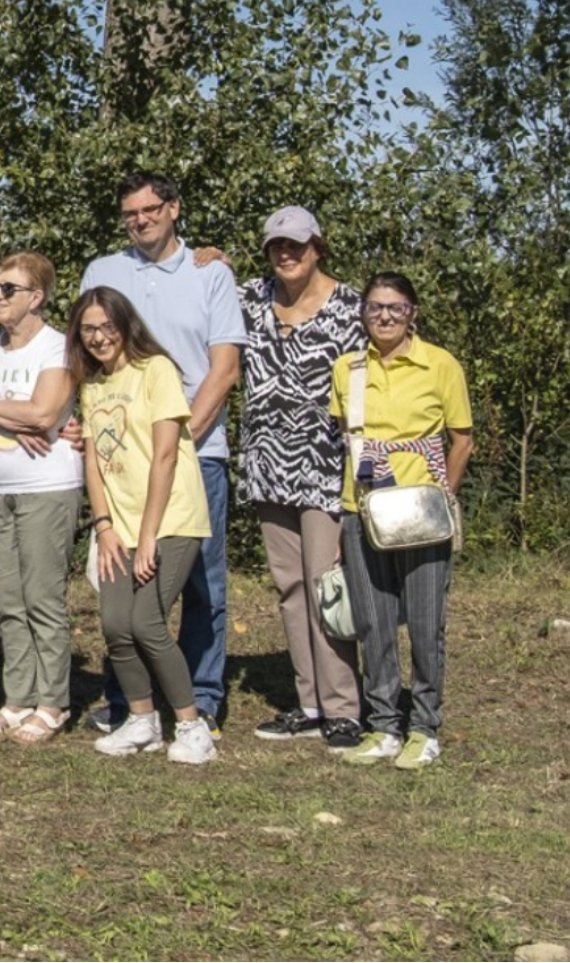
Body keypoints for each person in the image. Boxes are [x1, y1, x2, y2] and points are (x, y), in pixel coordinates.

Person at [79, 171, 246, 731]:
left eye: (150, 209)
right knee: (122, 584)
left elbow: (224, 370)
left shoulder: (210, 272)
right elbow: (87, 353)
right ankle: (129, 703)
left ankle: (201, 699)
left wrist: (174, 439)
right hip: (123, 463)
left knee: (203, 585)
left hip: (197, 453)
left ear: (174, 208)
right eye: (130, 213)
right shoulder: (103, 272)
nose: (141, 220)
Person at [233, 207, 367, 750]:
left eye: (296, 245)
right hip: (268, 467)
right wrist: (208, 257)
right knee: (290, 587)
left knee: (326, 586)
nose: (285, 254)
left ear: (318, 248)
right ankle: (309, 703)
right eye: (276, 246)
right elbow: (197, 291)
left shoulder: (353, 308)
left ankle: (344, 708)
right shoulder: (250, 298)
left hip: (327, 468)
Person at [332, 273, 473, 770]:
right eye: (375, 307)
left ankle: (425, 726)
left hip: (421, 512)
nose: (385, 316)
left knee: (426, 622)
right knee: (374, 623)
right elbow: (347, 439)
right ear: (363, 313)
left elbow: (462, 439)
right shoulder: (347, 369)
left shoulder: (440, 364)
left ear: (413, 312)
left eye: (395, 307)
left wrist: (444, 494)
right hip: (363, 510)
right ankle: (384, 725)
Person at [72, 286, 218, 765]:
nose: (99, 337)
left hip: (171, 518)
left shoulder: (156, 370)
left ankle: (193, 728)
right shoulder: (92, 385)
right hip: (119, 525)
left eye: (107, 326)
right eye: (89, 329)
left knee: (146, 622)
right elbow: (93, 462)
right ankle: (142, 722)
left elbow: (165, 455)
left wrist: (149, 534)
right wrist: (104, 526)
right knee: (116, 625)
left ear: (125, 324)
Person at [0, 252, 85, 741]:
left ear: (37, 297)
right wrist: (12, 415)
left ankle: (53, 702)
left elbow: (45, 414)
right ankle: (18, 699)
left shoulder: (58, 346)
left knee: (42, 598)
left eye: (9, 288)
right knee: (8, 599)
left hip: (46, 487)